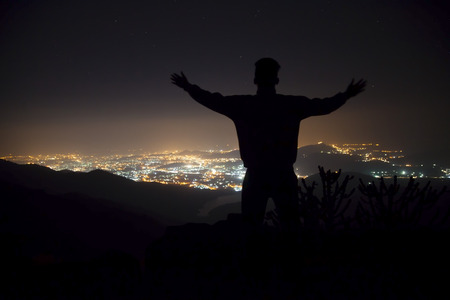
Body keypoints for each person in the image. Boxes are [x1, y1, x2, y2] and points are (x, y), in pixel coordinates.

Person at [171, 58, 366, 232]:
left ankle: (255, 267)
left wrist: (188, 87)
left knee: (251, 227)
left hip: (255, 176)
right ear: (277, 80)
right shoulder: (290, 105)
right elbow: (324, 106)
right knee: (290, 226)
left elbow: (211, 99)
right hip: (283, 175)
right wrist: (346, 95)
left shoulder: (243, 105)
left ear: (255, 81)